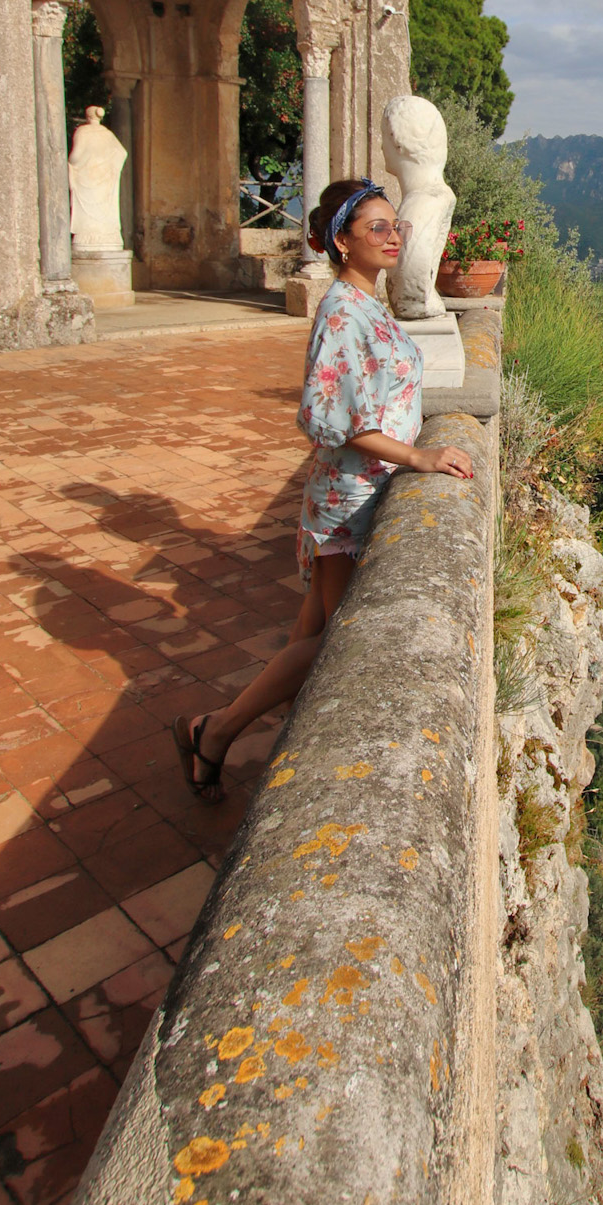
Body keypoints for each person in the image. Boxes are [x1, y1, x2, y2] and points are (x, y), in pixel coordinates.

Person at [175, 176, 473, 799]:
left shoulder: (367, 302)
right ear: (342, 242)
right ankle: (217, 731)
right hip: (349, 502)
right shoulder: (342, 312)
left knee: (310, 636)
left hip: (353, 496)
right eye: (378, 229)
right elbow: (334, 421)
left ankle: (222, 734)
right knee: (335, 646)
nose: (395, 237)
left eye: (398, 227)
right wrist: (420, 457)